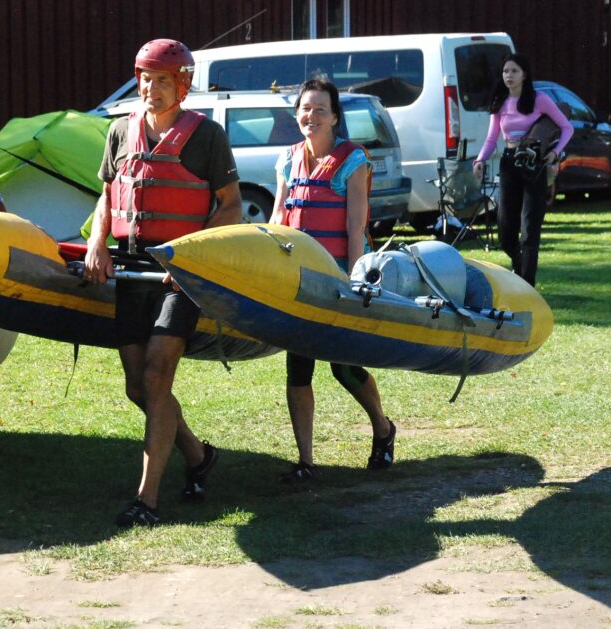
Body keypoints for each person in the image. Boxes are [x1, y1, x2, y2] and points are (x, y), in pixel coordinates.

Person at [84, 39, 242, 527]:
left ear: (183, 85)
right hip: (132, 267)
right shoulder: (118, 132)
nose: (151, 89)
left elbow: (231, 206)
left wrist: (189, 256)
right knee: (138, 386)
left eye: (163, 81)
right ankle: (197, 456)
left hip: (180, 275)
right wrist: (96, 244)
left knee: (156, 376)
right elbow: (108, 196)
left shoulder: (207, 136)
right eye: (146, 79)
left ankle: (146, 501)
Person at [268, 79, 396, 482]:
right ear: (296, 115)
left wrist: (355, 281)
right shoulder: (286, 160)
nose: (312, 116)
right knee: (298, 367)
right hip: (297, 280)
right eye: (306, 108)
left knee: (343, 368)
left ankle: (383, 427)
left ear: (335, 118)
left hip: (338, 278)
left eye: (321, 109)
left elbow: (355, 225)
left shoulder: (353, 160)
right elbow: (277, 219)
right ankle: (306, 461)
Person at [474, 53, 573, 287]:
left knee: (530, 229)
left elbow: (566, 127)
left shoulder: (539, 99)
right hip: (509, 163)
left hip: (534, 166)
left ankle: (527, 284)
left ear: (524, 75)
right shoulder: (500, 101)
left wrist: (555, 152)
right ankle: (519, 266)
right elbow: (491, 138)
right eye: (505, 71)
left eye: (514, 71)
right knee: (506, 232)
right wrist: (480, 160)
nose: (509, 76)